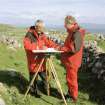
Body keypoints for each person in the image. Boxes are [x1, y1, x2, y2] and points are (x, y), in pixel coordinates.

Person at [23, 20, 58, 97]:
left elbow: (48, 42)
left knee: (45, 77)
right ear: (36, 27)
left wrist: (56, 46)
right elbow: (27, 46)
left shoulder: (42, 35)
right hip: (33, 61)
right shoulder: (29, 34)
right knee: (33, 79)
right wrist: (39, 47)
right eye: (40, 27)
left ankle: (47, 90)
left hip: (42, 61)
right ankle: (33, 92)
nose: (42, 29)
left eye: (43, 27)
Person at [60, 16, 85, 102]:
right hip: (70, 60)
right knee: (69, 79)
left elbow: (74, 48)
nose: (64, 26)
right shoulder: (72, 32)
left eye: (65, 24)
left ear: (70, 23)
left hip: (73, 61)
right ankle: (70, 94)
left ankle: (73, 97)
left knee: (72, 79)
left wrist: (63, 48)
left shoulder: (77, 33)